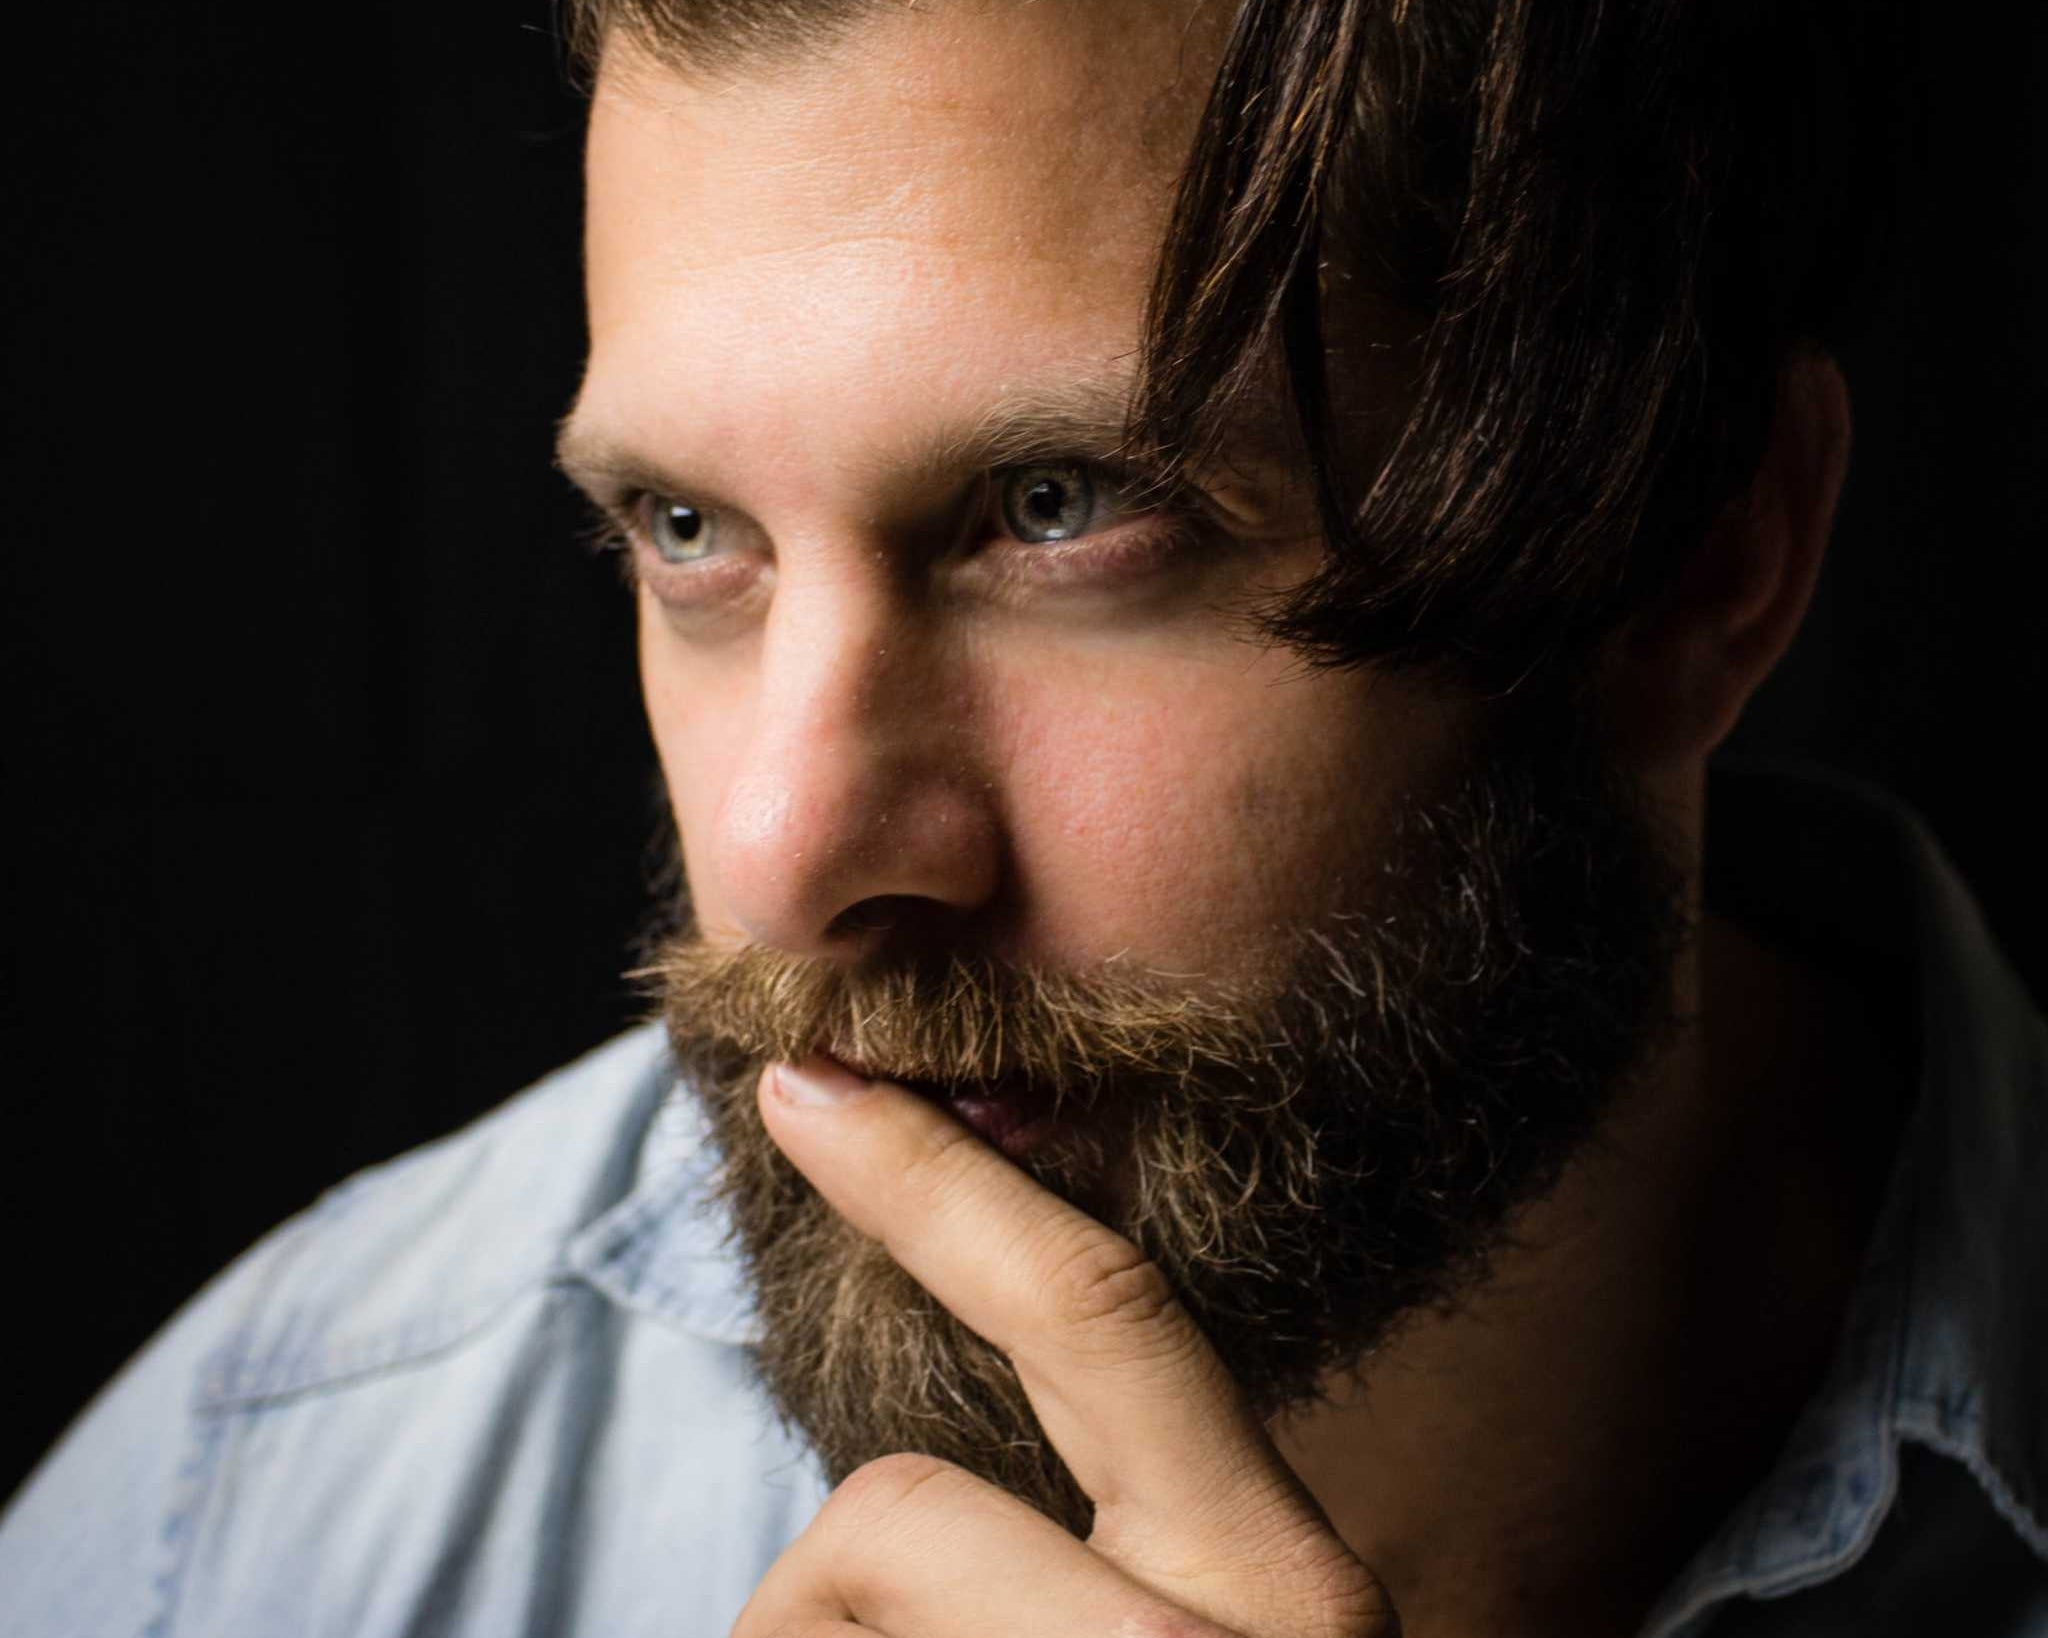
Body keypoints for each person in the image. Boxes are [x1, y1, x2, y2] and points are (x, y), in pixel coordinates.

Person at [3, 0, 2042, 1633]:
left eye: (1060, 513)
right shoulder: (252, 1512)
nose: (784, 856)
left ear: (1696, 562)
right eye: (689, 530)